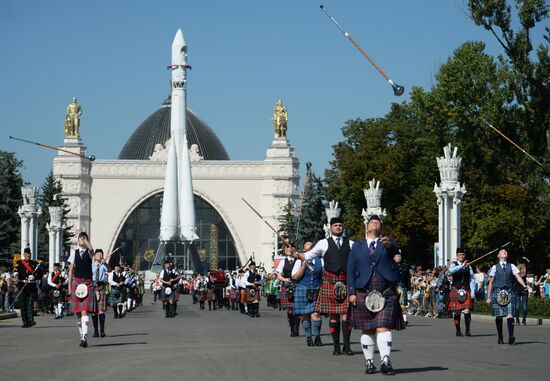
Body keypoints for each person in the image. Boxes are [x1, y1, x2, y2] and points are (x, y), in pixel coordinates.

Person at [347, 215, 403, 375]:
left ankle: (385, 361)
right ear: (366, 225)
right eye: (372, 221)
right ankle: (369, 362)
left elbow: (395, 253)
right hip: (363, 291)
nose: (374, 223)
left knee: (383, 327)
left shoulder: (387, 242)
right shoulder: (357, 246)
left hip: (386, 291)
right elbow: (350, 270)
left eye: (378, 222)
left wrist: (390, 246)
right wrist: (351, 292)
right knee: (367, 329)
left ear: (381, 227)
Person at [301, 217, 354, 355]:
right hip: (330, 282)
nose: (338, 227)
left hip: (346, 281)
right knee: (334, 316)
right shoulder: (323, 243)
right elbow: (308, 255)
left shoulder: (351, 243)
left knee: (346, 316)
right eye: (335, 225)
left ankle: (347, 346)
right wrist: (295, 254)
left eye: (340, 225)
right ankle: (336, 347)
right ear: (330, 228)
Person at [486, 249, 528, 345]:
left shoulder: (512, 266)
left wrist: (524, 285)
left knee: (510, 315)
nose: (504, 252)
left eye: (505, 251)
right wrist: (488, 297)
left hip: (509, 292)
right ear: (498, 255)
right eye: (502, 251)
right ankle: (500, 336)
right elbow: (491, 282)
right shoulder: (495, 267)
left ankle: (511, 336)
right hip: (498, 292)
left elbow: (518, 277)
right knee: (499, 316)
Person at [67, 232, 98, 348]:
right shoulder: (73, 253)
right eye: (80, 238)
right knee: (78, 313)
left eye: (84, 238)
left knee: (84, 310)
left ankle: (85, 336)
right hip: (76, 282)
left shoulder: (89, 253)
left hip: (87, 283)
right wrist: (69, 286)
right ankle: (81, 336)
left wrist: (85, 240)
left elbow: (92, 250)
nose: (81, 240)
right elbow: (71, 270)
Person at [292, 242, 323, 347]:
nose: (308, 252)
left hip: (317, 288)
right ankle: (308, 337)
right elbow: (295, 277)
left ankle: (317, 337)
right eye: (306, 251)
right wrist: (304, 266)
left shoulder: (321, 261)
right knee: (305, 314)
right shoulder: (298, 262)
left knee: (316, 313)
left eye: (310, 250)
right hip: (303, 288)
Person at [447, 248, 475, 337]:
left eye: (463, 255)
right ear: (457, 255)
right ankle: (458, 330)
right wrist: (462, 266)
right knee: (457, 312)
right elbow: (451, 272)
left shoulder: (469, 266)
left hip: (466, 289)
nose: (461, 256)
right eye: (459, 255)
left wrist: (473, 291)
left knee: (467, 310)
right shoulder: (453, 264)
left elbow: (472, 279)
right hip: (456, 288)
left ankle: (467, 330)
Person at [276, 243, 300, 335]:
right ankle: (292, 329)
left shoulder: (298, 260)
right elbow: (278, 275)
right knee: (290, 310)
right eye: (287, 248)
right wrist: (285, 279)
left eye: (291, 247)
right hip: (287, 286)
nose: (289, 249)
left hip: (297, 285)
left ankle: (297, 328)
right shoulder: (283, 261)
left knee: (296, 309)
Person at [16, 248, 42, 328]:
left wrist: (34, 276)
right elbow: (16, 271)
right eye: (27, 254)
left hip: (31, 286)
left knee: (30, 304)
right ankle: (25, 322)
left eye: (29, 254)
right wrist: (16, 274)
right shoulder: (19, 263)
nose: (28, 255)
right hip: (22, 285)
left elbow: (40, 274)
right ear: (24, 254)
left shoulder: (35, 263)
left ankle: (31, 321)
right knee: (23, 304)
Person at [91, 249, 109, 337]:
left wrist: (105, 263)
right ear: (94, 256)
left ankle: (102, 330)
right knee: (94, 311)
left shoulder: (103, 266)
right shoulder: (91, 266)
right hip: (93, 288)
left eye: (101, 254)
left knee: (101, 310)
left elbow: (110, 270)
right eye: (97, 254)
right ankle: (95, 331)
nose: (99, 255)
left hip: (101, 287)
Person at [394, 251, 411, 325]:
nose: (398, 257)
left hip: (403, 286)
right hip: (393, 287)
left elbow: (408, 278)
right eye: (397, 256)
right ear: (394, 258)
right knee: (394, 304)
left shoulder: (405, 266)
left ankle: (404, 320)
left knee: (403, 304)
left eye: (399, 256)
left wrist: (409, 288)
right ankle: (395, 320)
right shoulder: (391, 266)